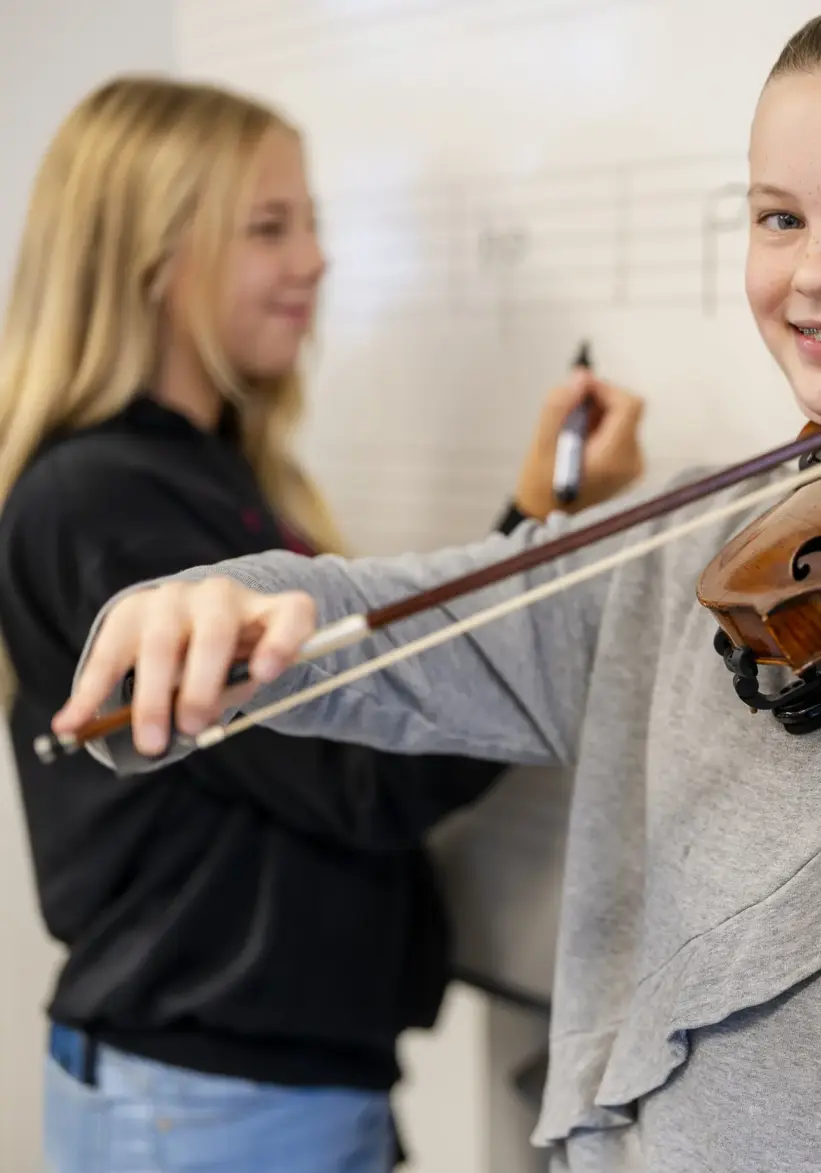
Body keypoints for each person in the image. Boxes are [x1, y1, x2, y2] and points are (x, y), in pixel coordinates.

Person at [54, 3, 821, 1170]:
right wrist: (231, 599)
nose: (815, 272)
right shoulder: (699, 540)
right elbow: (416, 621)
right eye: (778, 219)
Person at [0, 76, 644, 1172]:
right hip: (213, 1101)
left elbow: (357, 692)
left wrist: (536, 518)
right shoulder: (105, 497)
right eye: (267, 227)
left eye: (309, 223)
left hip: (254, 1088)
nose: (314, 260)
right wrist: (544, 543)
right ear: (151, 259)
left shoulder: (205, 475)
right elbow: (362, 773)